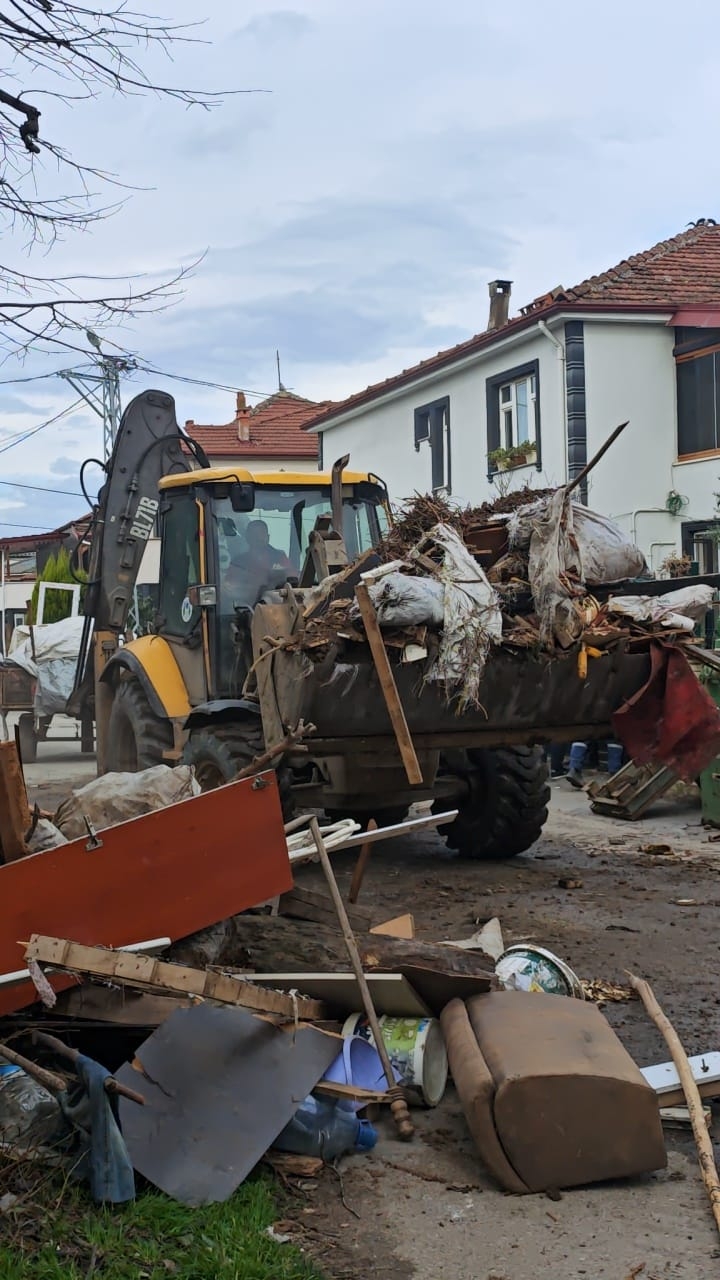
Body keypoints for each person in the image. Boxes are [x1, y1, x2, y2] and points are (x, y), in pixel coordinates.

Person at [225, 520, 294, 604]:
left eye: (262, 534)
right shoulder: (238, 562)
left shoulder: (279, 557)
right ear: (248, 538)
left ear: (268, 537)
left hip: (277, 606)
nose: (259, 538)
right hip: (247, 608)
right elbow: (229, 588)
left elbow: (292, 578)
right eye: (255, 535)